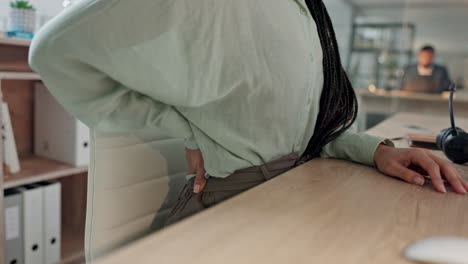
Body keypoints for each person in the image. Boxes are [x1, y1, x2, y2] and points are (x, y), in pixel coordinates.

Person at [29, 0, 468, 226]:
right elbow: (53, 51)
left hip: (299, 183)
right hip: (239, 202)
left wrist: (375, 151)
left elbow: (301, 124)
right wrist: (183, 129)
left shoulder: (303, 13)